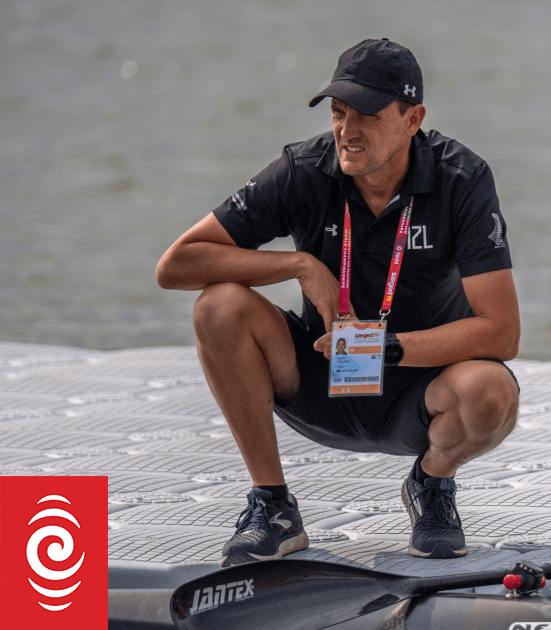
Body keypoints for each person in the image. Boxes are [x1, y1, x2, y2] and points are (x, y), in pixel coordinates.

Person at [156, 39, 520, 565]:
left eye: (367, 115)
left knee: (492, 392)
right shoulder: (305, 169)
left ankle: (431, 485)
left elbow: (501, 333)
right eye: (338, 112)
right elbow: (177, 265)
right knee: (220, 306)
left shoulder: (461, 179)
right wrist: (300, 265)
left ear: (413, 118)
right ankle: (272, 506)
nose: (347, 131)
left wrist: (384, 348)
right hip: (319, 375)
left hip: (419, 391)